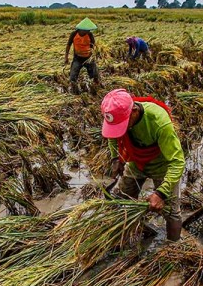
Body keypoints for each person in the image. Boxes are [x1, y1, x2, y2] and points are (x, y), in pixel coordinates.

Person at [101, 89, 185, 241]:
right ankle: (132, 232)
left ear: (133, 111)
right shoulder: (116, 113)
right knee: (122, 198)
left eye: (123, 124)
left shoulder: (158, 122)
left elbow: (177, 162)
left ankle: (173, 249)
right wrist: (116, 159)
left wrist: (161, 193)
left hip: (162, 166)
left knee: (172, 212)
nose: (121, 129)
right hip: (136, 162)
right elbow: (112, 136)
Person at [65, 17, 101, 93]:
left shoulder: (90, 35)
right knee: (73, 76)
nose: (88, 31)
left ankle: (96, 89)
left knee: (95, 75)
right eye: (87, 30)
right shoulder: (74, 34)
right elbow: (68, 45)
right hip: (77, 58)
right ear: (82, 29)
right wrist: (66, 57)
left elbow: (94, 46)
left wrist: (97, 53)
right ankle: (74, 91)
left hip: (88, 58)